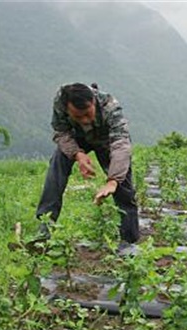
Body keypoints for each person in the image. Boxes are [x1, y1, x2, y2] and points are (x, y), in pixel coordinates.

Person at [35, 83, 139, 244]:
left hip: (106, 140)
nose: (85, 120)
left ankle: (129, 240)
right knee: (57, 165)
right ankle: (44, 231)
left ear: (94, 103)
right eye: (78, 117)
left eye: (88, 114)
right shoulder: (61, 102)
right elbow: (61, 131)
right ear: (68, 109)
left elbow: (121, 144)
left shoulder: (110, 106)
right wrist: (78, 154)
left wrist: (113, 180)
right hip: (78, 138)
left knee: (123, 186)